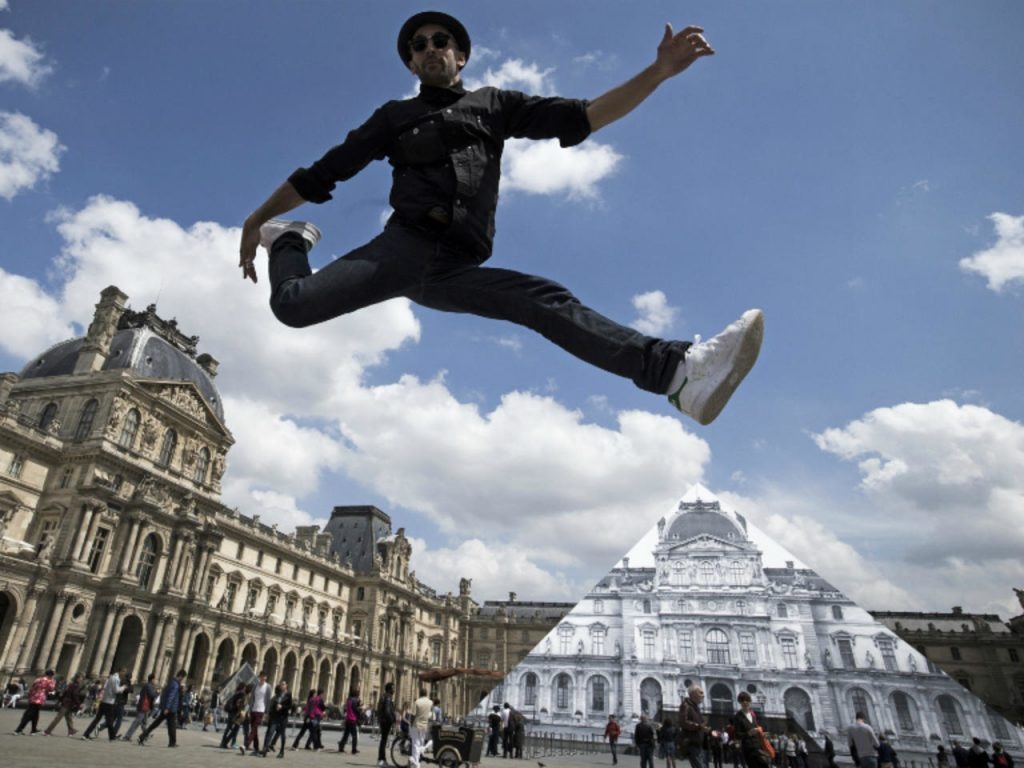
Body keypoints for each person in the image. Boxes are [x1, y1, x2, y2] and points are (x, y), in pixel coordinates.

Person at [238, 11, 764, 429]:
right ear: (411, 65)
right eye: (417, 46)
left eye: (439, 39)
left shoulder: (495, 105)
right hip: (403, 249)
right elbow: (323, 174)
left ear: (460, 54)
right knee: (294, 307)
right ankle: (290, 239)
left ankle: (677, 373)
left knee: (540, 298)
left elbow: (583, 117)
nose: (429, 48)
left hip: (456, 266)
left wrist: (658, 73)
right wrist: (259, 219)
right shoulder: (392, 119)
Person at [139, 668, 186, 747]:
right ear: (181, 676)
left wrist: (164, 706)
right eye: (183, 678)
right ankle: (172, 743)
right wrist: (167, 707)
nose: (182, 680)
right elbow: (171, 696)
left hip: (167, 708)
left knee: (159, 723)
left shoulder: (171, 682)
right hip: (170, 709)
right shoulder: (175, 684)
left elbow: (164, 695)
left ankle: (143, 736)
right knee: (171, 726)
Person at [730, 692, 771, 768]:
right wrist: (748, 733)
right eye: (742, 700)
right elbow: (737, 735)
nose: (745, 702)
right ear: (740, 702)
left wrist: (763, 734)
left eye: (747, 700)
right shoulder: (738, 717)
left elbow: (758, 728)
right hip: (749, 749)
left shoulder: (753, 714)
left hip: (758, 747)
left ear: (750, 701)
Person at [679, 685, 714, 768]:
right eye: (701, 693)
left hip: (700, 743)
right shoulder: (686, 705)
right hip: (692, 743)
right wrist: (699, 726)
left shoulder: (695, 706)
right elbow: (683, 722)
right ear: (693, 694)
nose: (703, 695)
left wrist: (705, 729)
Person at [13, 668, 55, 735]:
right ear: (51, 675)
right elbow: (51, 689)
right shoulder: (50, 680)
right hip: (40, 699)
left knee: (35, 714)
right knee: (29, 714)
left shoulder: (38, 679)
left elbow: (32, 688)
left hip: (33, 697)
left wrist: (30, 696)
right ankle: (18, 730)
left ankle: (33, 729)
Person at [44, 672, 84, 737]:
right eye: (81, 678)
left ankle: (71, 730)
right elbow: (75, 695)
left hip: (67, 702)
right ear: (77, 678)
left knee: (69, 717)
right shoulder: (76, 685)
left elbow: (65, 693)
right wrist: (79, 704)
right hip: (68, 703)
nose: (81, 679)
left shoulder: (71, 684)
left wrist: (60, 701)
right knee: (58, 718)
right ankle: (47, 731)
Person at [242, 671, 272, 755]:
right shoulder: (255, 686)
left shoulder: (268, 687)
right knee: (254, 729)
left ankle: (246, 745)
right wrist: (249, 709)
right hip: (253, 709)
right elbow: (252, 698)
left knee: (254, 728)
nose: (262, 678)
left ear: (266, 677)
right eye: (261, 676)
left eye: (264, 676)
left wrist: (267, 713)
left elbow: (268, 701)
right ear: (259, 677)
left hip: (261, 710)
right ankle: (256, 748)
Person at [261, 681, 293, 759]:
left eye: (283, 684)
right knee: (270, 731)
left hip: (283, 717)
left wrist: (282, 707)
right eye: (281, 684)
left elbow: (290, 706)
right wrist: (269, 713)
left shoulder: (289, 695)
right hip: (275, 716)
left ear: (286, 686)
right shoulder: (278, 694)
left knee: (282, 734)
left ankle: (282, 751)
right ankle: (265, 748)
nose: (282, 686)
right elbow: (274, 704)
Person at [123, 674, 157, 742]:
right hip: (143, 706)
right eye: (155, 679)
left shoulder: (148, 685)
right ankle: (127, 736)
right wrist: (156, 692)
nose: (155, 681)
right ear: (152, 679)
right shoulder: (149, 686)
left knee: (143, 722)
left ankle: (145, 735)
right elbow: (152, 695)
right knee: (137, 721)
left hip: (145, 706)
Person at [220, 681, 248, 749]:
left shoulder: (236, 693)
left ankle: (223, 742)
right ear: (244, 688)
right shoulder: (241, 694)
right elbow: (239, 704)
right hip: (235, 713)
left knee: (228, 728)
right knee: (234, 729)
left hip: (231, 712)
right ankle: (226, 742)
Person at [410, 688, 434, 768]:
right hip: (424, 725)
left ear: (420, 693)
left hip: (416, 724)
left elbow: (413, 714)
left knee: (415, 744)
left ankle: (416, 762)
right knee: (420, 743)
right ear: (426, 693)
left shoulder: (417, 702)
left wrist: (411, 724)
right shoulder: (430, 702)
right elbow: (431, 714)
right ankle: (415, 760)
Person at [376, 682, 397, 767]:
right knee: (383, 740)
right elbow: (388, 711)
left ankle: (382, 759)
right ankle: (381, 760)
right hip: (386, 721)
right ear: (389, 689)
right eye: (393, 688)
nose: (394, 689)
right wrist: (392, 720)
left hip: (383, 720)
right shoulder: (388, 697)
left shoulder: (384, 696)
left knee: (383, 740)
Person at [339, 688, 362, 754]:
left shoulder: (349, 700)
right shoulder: (354, 700)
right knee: (354, 735)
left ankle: (341, 747)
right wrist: (359, 711)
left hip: (348, 719)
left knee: (346, 735)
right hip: (352, 719)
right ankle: (354, 749)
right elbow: (355, 709)